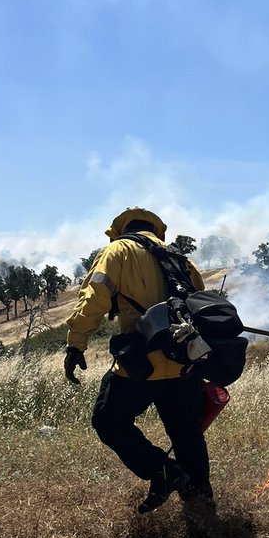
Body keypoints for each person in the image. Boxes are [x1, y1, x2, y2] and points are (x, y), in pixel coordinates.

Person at [64, 207, 215, 516]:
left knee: (108, 421)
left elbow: (93, 298)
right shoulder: (179, 258)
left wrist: (76, 343)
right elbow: (200, 302)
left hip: (140, 364)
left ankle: (162, 471)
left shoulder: (117, 250)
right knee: (187, 436)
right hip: (183, 364)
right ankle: (202, 513)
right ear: (158, 231)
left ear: (120, 230)